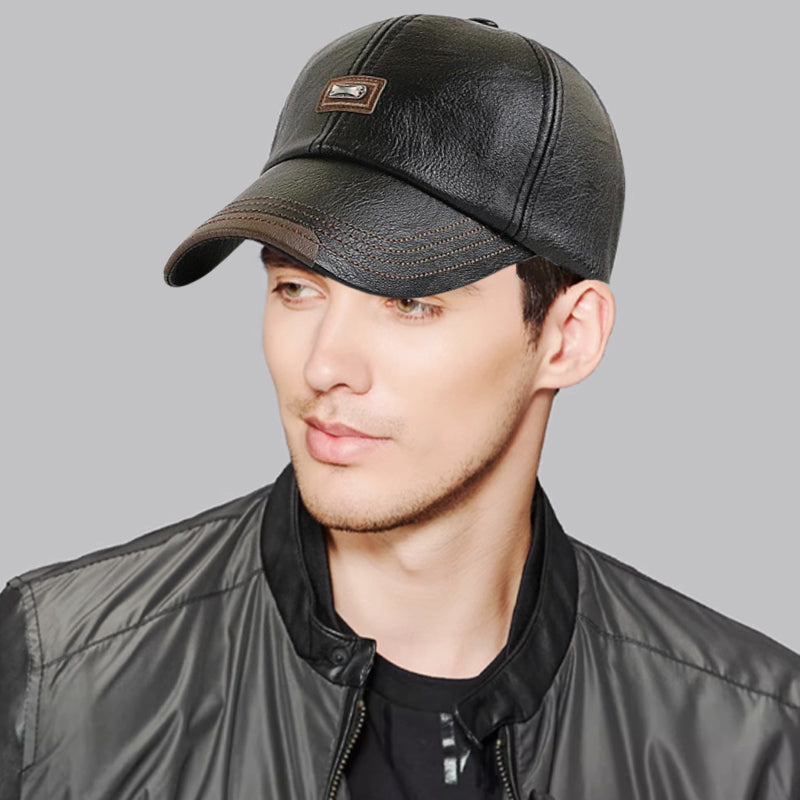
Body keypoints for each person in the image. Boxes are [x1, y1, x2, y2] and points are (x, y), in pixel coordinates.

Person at [0, 13, 797, 800]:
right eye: (296, 287)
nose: (324, 365)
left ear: (568, 337)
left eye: (410, 302)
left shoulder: (753, 739)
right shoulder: (58, 674)